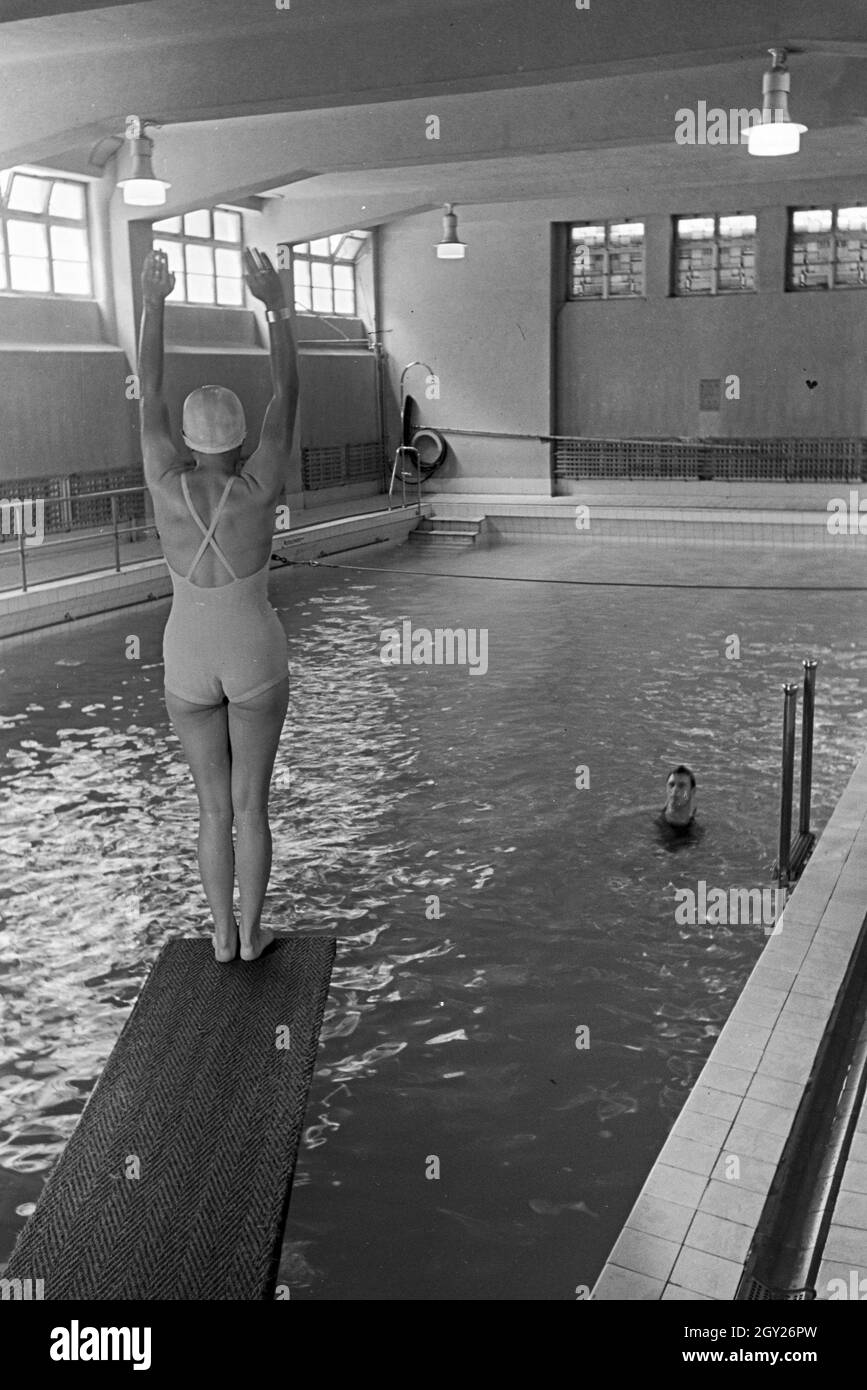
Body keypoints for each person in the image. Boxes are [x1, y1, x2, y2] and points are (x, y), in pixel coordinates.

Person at [138, 246, 298, 962]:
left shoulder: (165, 483)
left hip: (186, 660)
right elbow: (285, 394)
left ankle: (220, 937)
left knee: (209, 809)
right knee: (249, 807)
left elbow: (150, 394)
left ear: (190, 441)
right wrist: (277, 307)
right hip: (253, 655)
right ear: (237, 438)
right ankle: (255, 930)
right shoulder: (259, 485)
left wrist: (153, 303)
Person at [659, 765, 698, 833]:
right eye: (671, 785)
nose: (675, 790)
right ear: (666, 788)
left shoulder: (697, 833)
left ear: (692, 791)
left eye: (681, 785)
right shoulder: (647, 820)